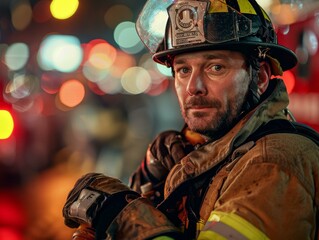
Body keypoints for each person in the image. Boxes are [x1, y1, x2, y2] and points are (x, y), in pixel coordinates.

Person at [62, 0, 319, 239]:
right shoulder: (207, 153)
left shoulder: (275, 162)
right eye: (183, 70)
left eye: (215, 67)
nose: (193, 87)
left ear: (260, 77)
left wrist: (122, 215)